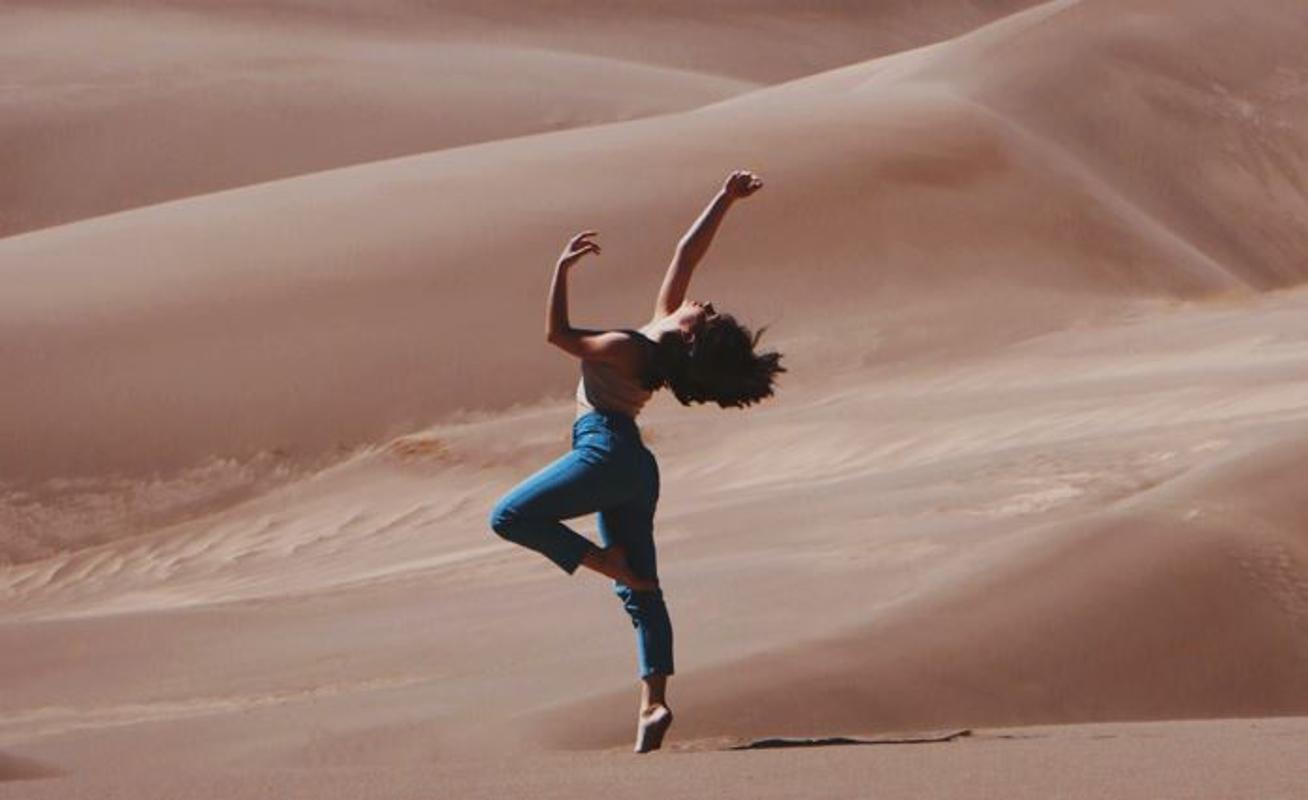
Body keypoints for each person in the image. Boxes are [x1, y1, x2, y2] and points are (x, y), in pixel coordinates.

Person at [488, 169, 785, 753]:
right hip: (634, 467)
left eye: (709, 314)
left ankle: (607, 565)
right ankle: (654, 702)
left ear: (689, 335)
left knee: (510, 516)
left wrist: (559, 270)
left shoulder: (631, 347)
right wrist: (725, 199)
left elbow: (558, 336)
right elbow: (685, 253)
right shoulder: (657, 337)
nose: (706, 304)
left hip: (603, 450)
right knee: (645, 589)